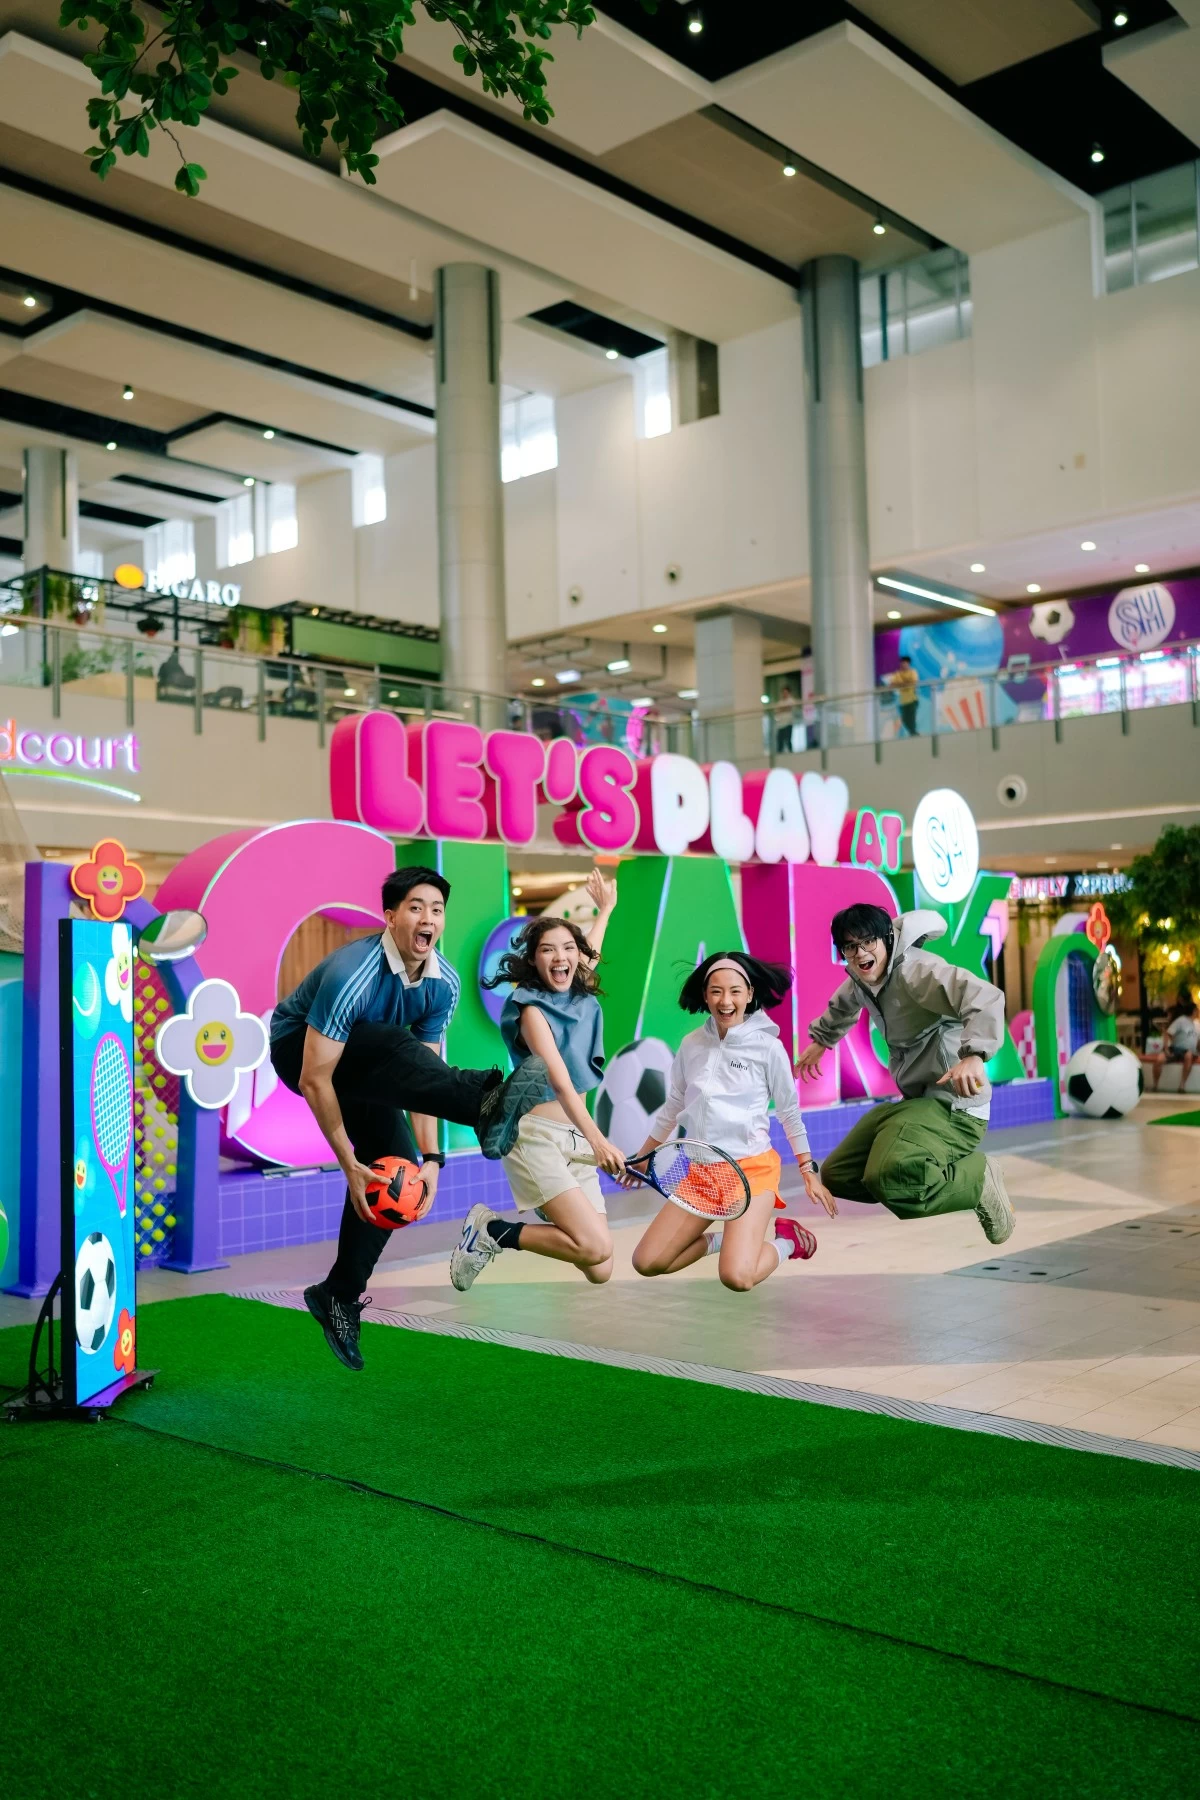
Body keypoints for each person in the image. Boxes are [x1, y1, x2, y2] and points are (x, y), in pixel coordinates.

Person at [270, 865, 548, 1369]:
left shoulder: (442, 983)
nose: (428, 919)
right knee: (394, 1043)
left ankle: (338, 1294)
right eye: (416, 908)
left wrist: (433, 1157)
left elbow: (423, 1076)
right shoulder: (351, 974)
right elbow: (315, 1079)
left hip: (372, 1063)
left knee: (398, 1179)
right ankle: (487, 1103)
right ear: (391, 916)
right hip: (301, 1053)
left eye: (437, 910)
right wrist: (349, 1160)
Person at [449, 870, 627, 1291]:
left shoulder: (578, 991)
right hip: (535, 1137)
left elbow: (591, 951)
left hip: (575, 1140)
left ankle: (543, 1211)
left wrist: (607, 909)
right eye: (547, 949)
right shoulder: (530, 1010)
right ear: (533, 960)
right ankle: (491, 1231)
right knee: (594, 1247)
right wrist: (600, 1141)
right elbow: (562, 1083)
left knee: (600, 1269)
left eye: (568, 948)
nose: (560, 956)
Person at [797, 904, 1014, 1244]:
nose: (860, 953)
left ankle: (979, 1179)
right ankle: (905, 1178)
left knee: (890, 1178)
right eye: (849, 947)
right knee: (838, 1174)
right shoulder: (861, 979)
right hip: (918, 1102)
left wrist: (974, 1054)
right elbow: (843, 1005)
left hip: (955, 1105)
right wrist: (821, 1042)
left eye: (868, 942)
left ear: (887, 939)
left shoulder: (918, 972)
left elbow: (985, 997)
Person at [630, 953, 837, 1292]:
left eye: (734, 991)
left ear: (750, 994)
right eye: (716, 992)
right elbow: (673, 1107)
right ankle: (719, 1243)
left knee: (737, 1277)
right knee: (648, 1262)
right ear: (706, 995)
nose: (725, 1001)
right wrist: (641, 1156)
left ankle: (788, 1242)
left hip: (750, 1173)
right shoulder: (691, 1045)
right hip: (702, 1174)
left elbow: (788, 1112)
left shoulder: (768, 1048)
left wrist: (808, 1171)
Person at [1146, 999, 1198, 1092]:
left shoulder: (1195, 1024)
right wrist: (1166, 1048)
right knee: (1159, 1060)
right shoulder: (1181, 1020)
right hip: (1176, 1049)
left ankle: (1182, 1086)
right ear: (1193, 1011)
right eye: (1196, 1010)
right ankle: (1155, 1086)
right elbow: (1168, 1033)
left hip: (1189, 1052)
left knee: (1189, 1055)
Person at [885, 656, 920, 737]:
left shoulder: (913, 672)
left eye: (905, 663)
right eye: (902, 663)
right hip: (903, 701)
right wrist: (905, 684)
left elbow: (913, 682)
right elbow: (891, 685)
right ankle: (913, 734)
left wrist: (900, 685)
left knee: (911, 719)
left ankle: (914, 734)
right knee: (905, 720)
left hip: (912, 699)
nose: (903, 665)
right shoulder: (898, 674)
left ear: (908, 664)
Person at [774, 684, 795, 754]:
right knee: (780, 742)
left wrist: (782, 709)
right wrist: (784, 709)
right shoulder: (780, 702)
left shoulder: (791, 700)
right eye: (783, 692)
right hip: (780, 725)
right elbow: (777, 711)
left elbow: (789, 708)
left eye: (786, 693)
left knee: (788, 740)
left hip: (788, 723)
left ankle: (791, 753)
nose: (784, 694)